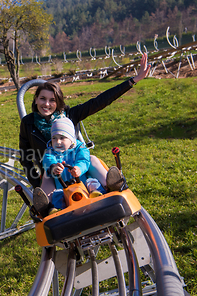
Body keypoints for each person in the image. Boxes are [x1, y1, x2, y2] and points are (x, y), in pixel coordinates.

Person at [19, 53, 151, 198]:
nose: (47, 104)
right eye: (42, 99)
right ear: (36, 99)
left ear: (58, 102)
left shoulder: (69, 115)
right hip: (53, 171)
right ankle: (46, 204)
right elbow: (25, 157)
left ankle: (112, 185)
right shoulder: (28, 123)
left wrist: (133, 80)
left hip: (79, 167)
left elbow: (100, 101)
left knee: (92, 159)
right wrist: (35, 183)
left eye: (52, 100)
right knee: (46, 177)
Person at [34, 117, 110, 217]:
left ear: (71, 138)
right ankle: (54, 209)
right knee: (57, 195)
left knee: (92, 182)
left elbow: (84, 160)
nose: (58, 142)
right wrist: (53, 167)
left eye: (62, 138)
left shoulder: (80, 148)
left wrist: (79, 168)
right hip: (63, 188)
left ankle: (99, 192)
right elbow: (48, 160)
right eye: (54, 138)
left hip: (83, 185)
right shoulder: (50, 151)